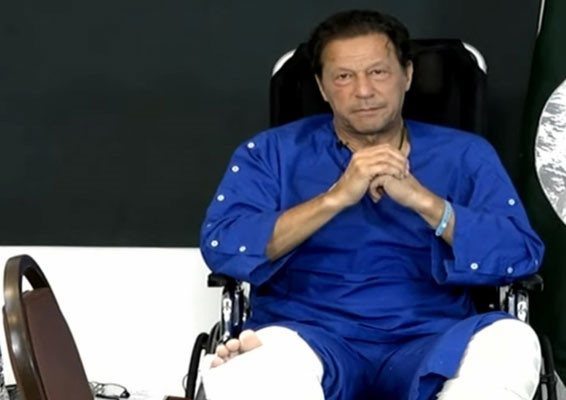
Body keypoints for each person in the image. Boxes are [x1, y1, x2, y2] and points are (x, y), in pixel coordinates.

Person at [199, 9, 544, 400]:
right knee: (257, 368)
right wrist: (335, 198)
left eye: (378, 72)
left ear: (407, 75)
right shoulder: (269, 153)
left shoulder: (466, 155)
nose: (363, 91)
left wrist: (424, 201)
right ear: (323, 87)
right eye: (344, 77)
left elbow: (521, 253)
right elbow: (223, 247)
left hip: (433, 336)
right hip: (308, 333)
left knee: (511, 342)